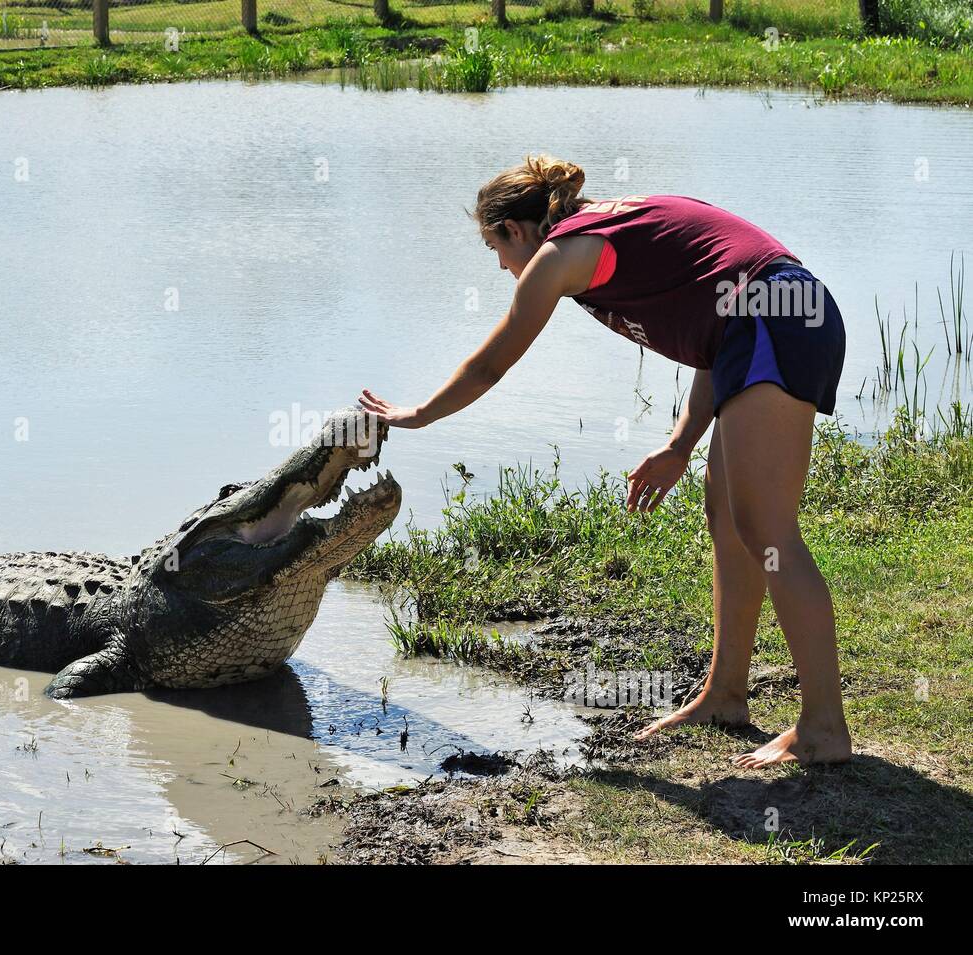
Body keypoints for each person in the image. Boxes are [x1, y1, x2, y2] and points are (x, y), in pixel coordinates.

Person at [358, 155, 850, 767]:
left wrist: (415, 414)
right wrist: (680, 444)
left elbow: (490, 365)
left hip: (778, 318)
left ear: (517, 229)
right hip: (769, 319)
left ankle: (824, 728)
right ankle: (725, 695)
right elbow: (715, 326)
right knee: (727, 514)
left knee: (766, 528)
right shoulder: (604, 231)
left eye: (494, 247)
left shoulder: (561, 256)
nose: (501, 265)